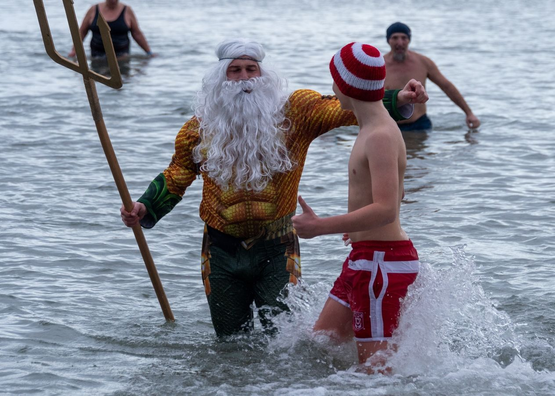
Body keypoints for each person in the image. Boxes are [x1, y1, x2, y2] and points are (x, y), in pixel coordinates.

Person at [119, 39, 427, 337]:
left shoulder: (295, 112)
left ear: (264, 75)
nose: (244, 79)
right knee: (229, 344)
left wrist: (398, 98)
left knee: (282, 342)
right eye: (235, 70)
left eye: (251, 69)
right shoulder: (198, 129)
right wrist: (146, 206)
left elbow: (346, 107)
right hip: (220, 251)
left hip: (278, 246)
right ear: (219, 77)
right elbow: (178, 172)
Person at [293, 42, 418, 372]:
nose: (332, 88)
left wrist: (321, 227)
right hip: (367, 256)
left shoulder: (379, 135)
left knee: (376, 371)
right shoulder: (372, 127)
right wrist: (357, 226)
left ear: (346, 86)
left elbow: (388, 209)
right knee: (320, 343)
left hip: (382, 263)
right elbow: (397, 192)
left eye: (334, 80)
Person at [384, 22, 480, 131]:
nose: (400, 42)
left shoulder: (423, 62)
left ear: (409, 40)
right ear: (388, 40)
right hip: (389, 125)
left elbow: (446, 86)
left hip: (419, 124)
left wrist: (469, 113)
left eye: (404, 38)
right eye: (395, 38)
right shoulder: (380, 65)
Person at [68, 0, 153, 59]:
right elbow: (82, 32)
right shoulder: (93, 10)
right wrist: (74, 50)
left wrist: (148, 52)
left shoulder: (127, 11)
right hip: (97, 57)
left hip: (121, 58)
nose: (113, 0)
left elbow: (137, 33)